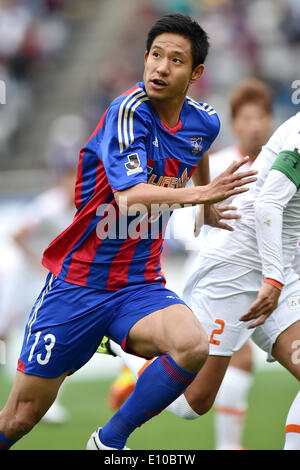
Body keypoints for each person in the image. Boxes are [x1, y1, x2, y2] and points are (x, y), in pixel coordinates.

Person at [0, 13, 257, 451]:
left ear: (196, 73)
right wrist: (202, 194)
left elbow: (199, 147)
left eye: (176, 60)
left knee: (193, 346)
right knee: (20, 418)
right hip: (78, 284)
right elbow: (129, 198)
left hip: (138, 284)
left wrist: (209, 202)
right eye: (155, 55)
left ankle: (108, 441)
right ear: (144, 59)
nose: (160, 67)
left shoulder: (205, 120)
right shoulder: (127, 112)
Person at [105, 110, 300, 450]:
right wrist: (274, 277)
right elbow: (268, 205)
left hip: (278, 269)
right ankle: (116, 342)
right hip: (238, 268)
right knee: (192, 403)